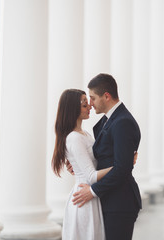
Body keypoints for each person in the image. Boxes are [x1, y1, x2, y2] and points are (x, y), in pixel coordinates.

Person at [70, 73, 142, 240]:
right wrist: (79, 165)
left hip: (119, 203)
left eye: (93, 98)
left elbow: (122, 167)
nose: (90, 103)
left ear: (107, 96)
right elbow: (107, 158)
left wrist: (92, 191)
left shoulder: (122, 122)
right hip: (110, 200)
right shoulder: (110, 120)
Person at [52, 89, 113, 240]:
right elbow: (91, 176)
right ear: (73, 108)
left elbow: (90, 163)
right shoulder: (74, 138)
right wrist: (119, 166)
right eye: (85, 104)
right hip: (83, 199)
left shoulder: (85, 134)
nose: (90, 107)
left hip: (90, 196)